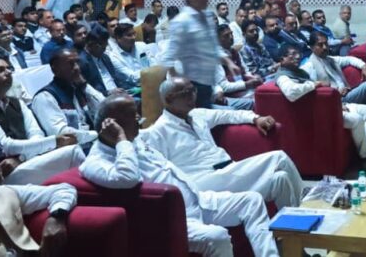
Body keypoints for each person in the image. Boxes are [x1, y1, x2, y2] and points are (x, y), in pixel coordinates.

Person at [81, 95, 279, 257]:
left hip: (198, 201)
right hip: (168, 221)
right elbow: (127, 177)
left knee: (252, 201)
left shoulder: (136, 139)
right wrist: (121, 141)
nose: (138, 118)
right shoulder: (95, 161)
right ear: (111, 124)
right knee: (217, 236)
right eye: (132, 114)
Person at [142, 76, 302, 209]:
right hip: (202, 182)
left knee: (280, 179)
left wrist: (256, 118)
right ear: (169, 99)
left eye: (193, 90)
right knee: (279, 157)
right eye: (185, 93)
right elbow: (157, 173)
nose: (192, 96)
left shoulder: (198, 114)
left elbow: (229, 115)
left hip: (227, 170)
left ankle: (293, 233)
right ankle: (308, 206)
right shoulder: (158, 132)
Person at [0, 54, 85, 185]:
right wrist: (54, 141)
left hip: (23, 161)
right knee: (73, 152)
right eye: (0, 70)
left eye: (8, 68)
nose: (8, 72)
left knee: (72, 153)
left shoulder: (16, 102)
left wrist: (22, 157)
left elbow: (36, 133)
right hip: (3, 174)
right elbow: (5, 146)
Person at [273, 46, 366, 171]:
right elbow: (291, 93)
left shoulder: (300, 72)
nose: (298, 57)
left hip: (325, 107)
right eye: (293, 54)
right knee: (356, 119)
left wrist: (337, 105)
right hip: (314, 115)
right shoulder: (283, 77)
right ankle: (365, 159)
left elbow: (319, 94)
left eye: (298, 53)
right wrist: (314, 84)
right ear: (282, 59)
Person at [303, 31, 366, 141]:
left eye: (326, 43)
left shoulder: (331, 59)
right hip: (337, 100)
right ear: (312, 47)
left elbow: (350, 59)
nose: (325, 47)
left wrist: (364, 66)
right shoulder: (310, 66)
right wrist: (335, 91)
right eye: (320, 45)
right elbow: (312, 89)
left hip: (348, 93)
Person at [160, 0, 223, 109]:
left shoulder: (207, 17)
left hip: (209, 81)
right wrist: (179, 82)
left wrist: (228, 61)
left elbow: (214, 46)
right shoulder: (182, 21)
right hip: (193, 84)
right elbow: (169, 57)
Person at [30, 50, 103, 142]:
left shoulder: (79, 89)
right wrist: (97, 134)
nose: (77, 68)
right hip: (75, 147)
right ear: (55, 69)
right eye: (71, 64)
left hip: (95, 141)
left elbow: (105, 109)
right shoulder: (45, 97)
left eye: (77, 62)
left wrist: (85, 85)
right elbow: (62, 134)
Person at [214, 26, 259, 109]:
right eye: (226, 36)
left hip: (245, 89)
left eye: (231, 34)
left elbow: (246, 71)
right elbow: (224, 87)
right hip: (232, 94)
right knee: (259, 101)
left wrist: (253, 78)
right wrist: (247, 84)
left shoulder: (234, 51)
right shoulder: (216, 58)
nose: (231, 37)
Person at [79, 26, 127, 95]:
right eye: (102, 47)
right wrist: (108, 93)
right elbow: (88, 90)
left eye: (105, 46)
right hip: (104, 98)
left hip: (119, 93)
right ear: (91, 45)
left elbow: (116, 79)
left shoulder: (105, 57)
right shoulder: (83, 62)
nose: (104, 50)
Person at [107, 23, 151, 89]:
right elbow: (132, 78)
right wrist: (151, 72)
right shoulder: (113, 57)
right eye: (129, 35)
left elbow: (154, 64)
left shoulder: (142, 45)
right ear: (118, 38)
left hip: (151, 82)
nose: (134, 37)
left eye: (134, 34)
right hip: (133, 90)